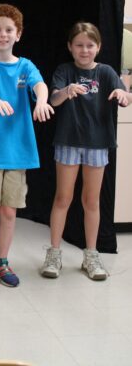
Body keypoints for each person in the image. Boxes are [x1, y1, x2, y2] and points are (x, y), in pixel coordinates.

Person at [0, 4, 53, 289]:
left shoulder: (25, 66)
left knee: (9, 211)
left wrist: (41, 100)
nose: (3, 35)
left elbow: (39, 85)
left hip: (18, 151)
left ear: (18, 34)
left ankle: (2, 261)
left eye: (9, 30)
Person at [40, 22, 132, 281]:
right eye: (79, 45)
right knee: (63, 198)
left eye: (90, 45)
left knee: (91, 201)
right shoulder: (64, 70)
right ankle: (54, 253)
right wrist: (66, 91)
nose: (84, 50)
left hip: (98, 143)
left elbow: (125, 96)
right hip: (68, 142)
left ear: (98, 47)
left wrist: (123, 95)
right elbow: (53, 100)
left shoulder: (106, 72)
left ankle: (91, 254)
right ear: (70, 47)